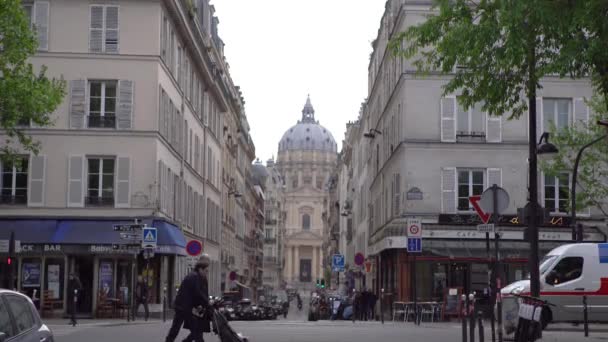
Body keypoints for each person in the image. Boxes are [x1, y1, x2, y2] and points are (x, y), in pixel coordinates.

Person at [165, 254, 211, 342]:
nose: (207, 272)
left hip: (188, 307)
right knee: (185, 328)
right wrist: (206, 303)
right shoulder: (194, 276)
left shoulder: (199, 276)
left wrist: (205, 303)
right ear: (201, 267)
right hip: (184, 307)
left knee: (194, 329)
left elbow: (201, 293)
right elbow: (197, 293)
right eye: (206, 269)